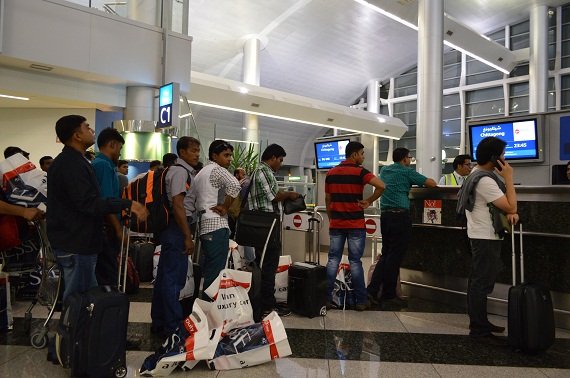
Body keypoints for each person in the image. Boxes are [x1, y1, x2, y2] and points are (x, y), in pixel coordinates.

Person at [46, 115, 148, 302]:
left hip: (79, 240)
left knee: (86, 296)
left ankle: (81, 330)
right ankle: (74, 330)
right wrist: (127, 204)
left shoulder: (77, 161)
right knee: (79, 298)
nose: (92, 130)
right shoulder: (72, 164)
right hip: (76, 241)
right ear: (77, 135)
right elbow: (89, 203)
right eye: (87, 127)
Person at [458, 137, 518, 338]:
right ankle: (478, 327)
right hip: (485, 237)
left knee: (478, 280)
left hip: (479, 234)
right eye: (502, 154)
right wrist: (509, 177)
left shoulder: (476, 173)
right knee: (481, 282)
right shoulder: (484, 180)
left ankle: (480, 322)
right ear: (494, 157)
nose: (504, 158)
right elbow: (511, 206)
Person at [367, 148, 437, 308]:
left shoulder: (385, 169)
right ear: (405, 159)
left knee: (386, 255)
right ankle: (388, 295)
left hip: (385, 216)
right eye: (409, 157)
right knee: (394, 257)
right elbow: (431, 183)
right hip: (400, 217)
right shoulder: (406, 172)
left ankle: (371, 291)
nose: (411, 160)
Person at [325, 141, 385, 311]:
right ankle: (361, 301)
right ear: (354, 155)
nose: (363, 157)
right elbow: (381, 186)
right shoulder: (360, 172)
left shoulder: (331, 172)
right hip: (356, 223)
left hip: (336, 222)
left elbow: (328, 199)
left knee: (332, 260)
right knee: (355, 261)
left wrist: (331, 218)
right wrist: (369, 201)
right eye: (362, 154)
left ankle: (326, 299)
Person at [151, 136, 200, 338]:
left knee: (164, 278)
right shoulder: (180, 172)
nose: (196, 154)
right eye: (193, 150)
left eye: (198, 150)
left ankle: (160, 321)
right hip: (177, 227)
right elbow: (178, 205)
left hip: (172, 227)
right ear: (182, 152)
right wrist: (187, 236)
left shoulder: (177, 171)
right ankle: (173, 327)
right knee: (174, 279)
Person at [248, 144, 300, 318]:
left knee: (266, 265)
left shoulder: (259, 171)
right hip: (267, 226)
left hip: (263, 225)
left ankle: (266, 303)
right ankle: (267, 306)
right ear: (272, 158)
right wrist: (290, 195)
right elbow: (273, 196)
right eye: (280, 160)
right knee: (268, 266)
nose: (281, 163)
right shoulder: (264, 171)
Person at [193, 140, 241, 294]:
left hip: (204, 225)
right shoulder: (217, 169)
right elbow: (235, 185)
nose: (230, 159)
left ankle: (206, 306)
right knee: (216, 272)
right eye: (226, 155)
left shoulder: (201, 172)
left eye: (230, 156)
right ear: (214, 155)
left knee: (210, 269)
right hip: (217, 226)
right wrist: (226, 207)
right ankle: (210, 309)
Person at [91, 128, 125, 287]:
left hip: (102, 228)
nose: (120, 153)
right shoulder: (103, 166)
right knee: (107, 275)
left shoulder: (100, 164)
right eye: (120, 148)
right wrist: (118, 230)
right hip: (106, 228)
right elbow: (107, 202)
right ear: (112, 144)